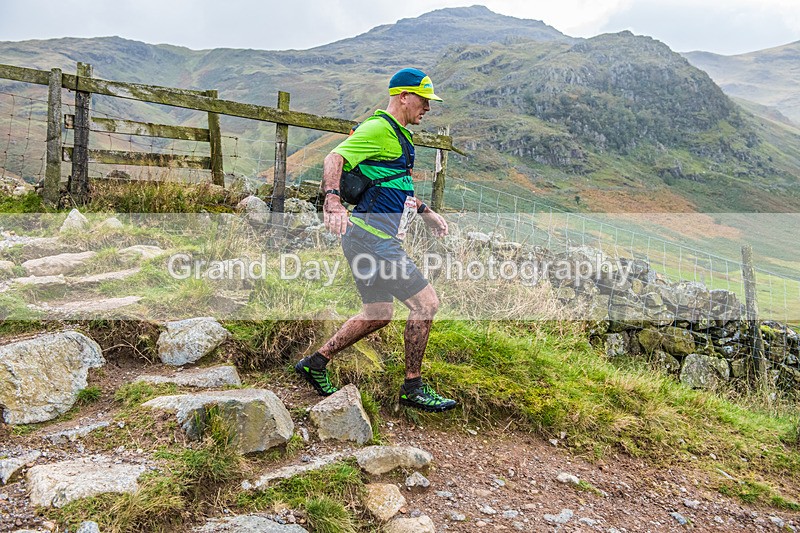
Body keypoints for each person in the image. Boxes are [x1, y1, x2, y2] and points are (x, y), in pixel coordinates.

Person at [295, 68, 457, 413]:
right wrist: (333, 200)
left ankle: (316, 362)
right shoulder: (378, 128)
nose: (427, 108)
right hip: (373, 239)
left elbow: (394, 185)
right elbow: (333, 157)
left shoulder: (400, 136)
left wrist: (425, 211)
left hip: (366, 239)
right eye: (424, 100)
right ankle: (413, 386)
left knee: (379, 312)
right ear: (404, 96)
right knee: (426, 304)